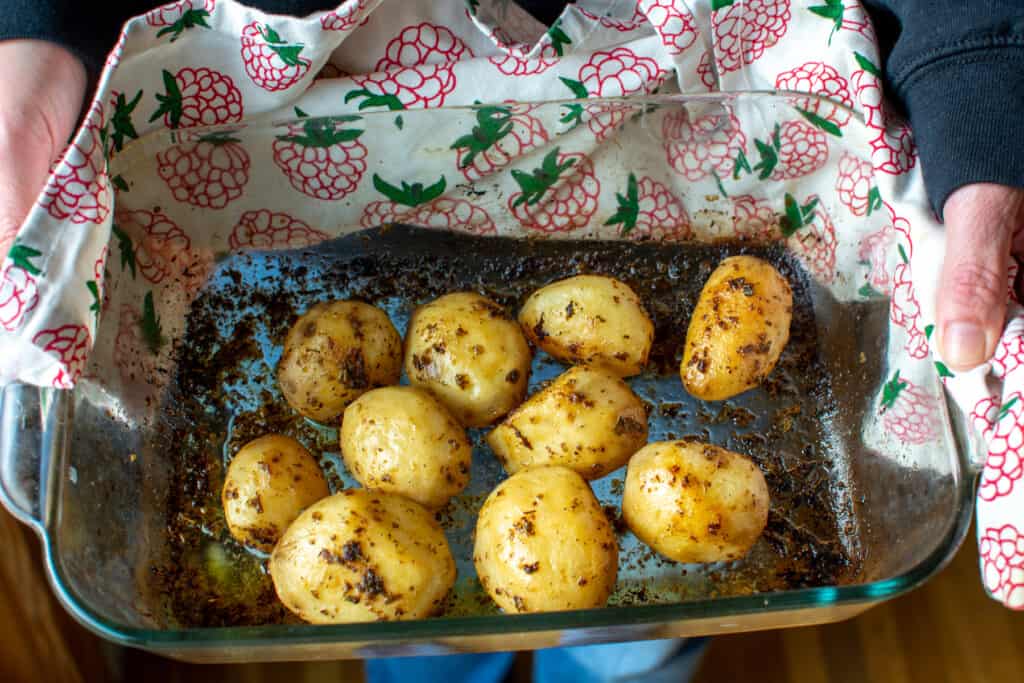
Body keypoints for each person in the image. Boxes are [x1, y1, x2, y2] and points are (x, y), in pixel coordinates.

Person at [1, 0, 1020, 680]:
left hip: (713, 152)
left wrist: (982, 93)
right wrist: (34, 33)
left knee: (638, 632)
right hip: (294, 194)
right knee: (417, 634)